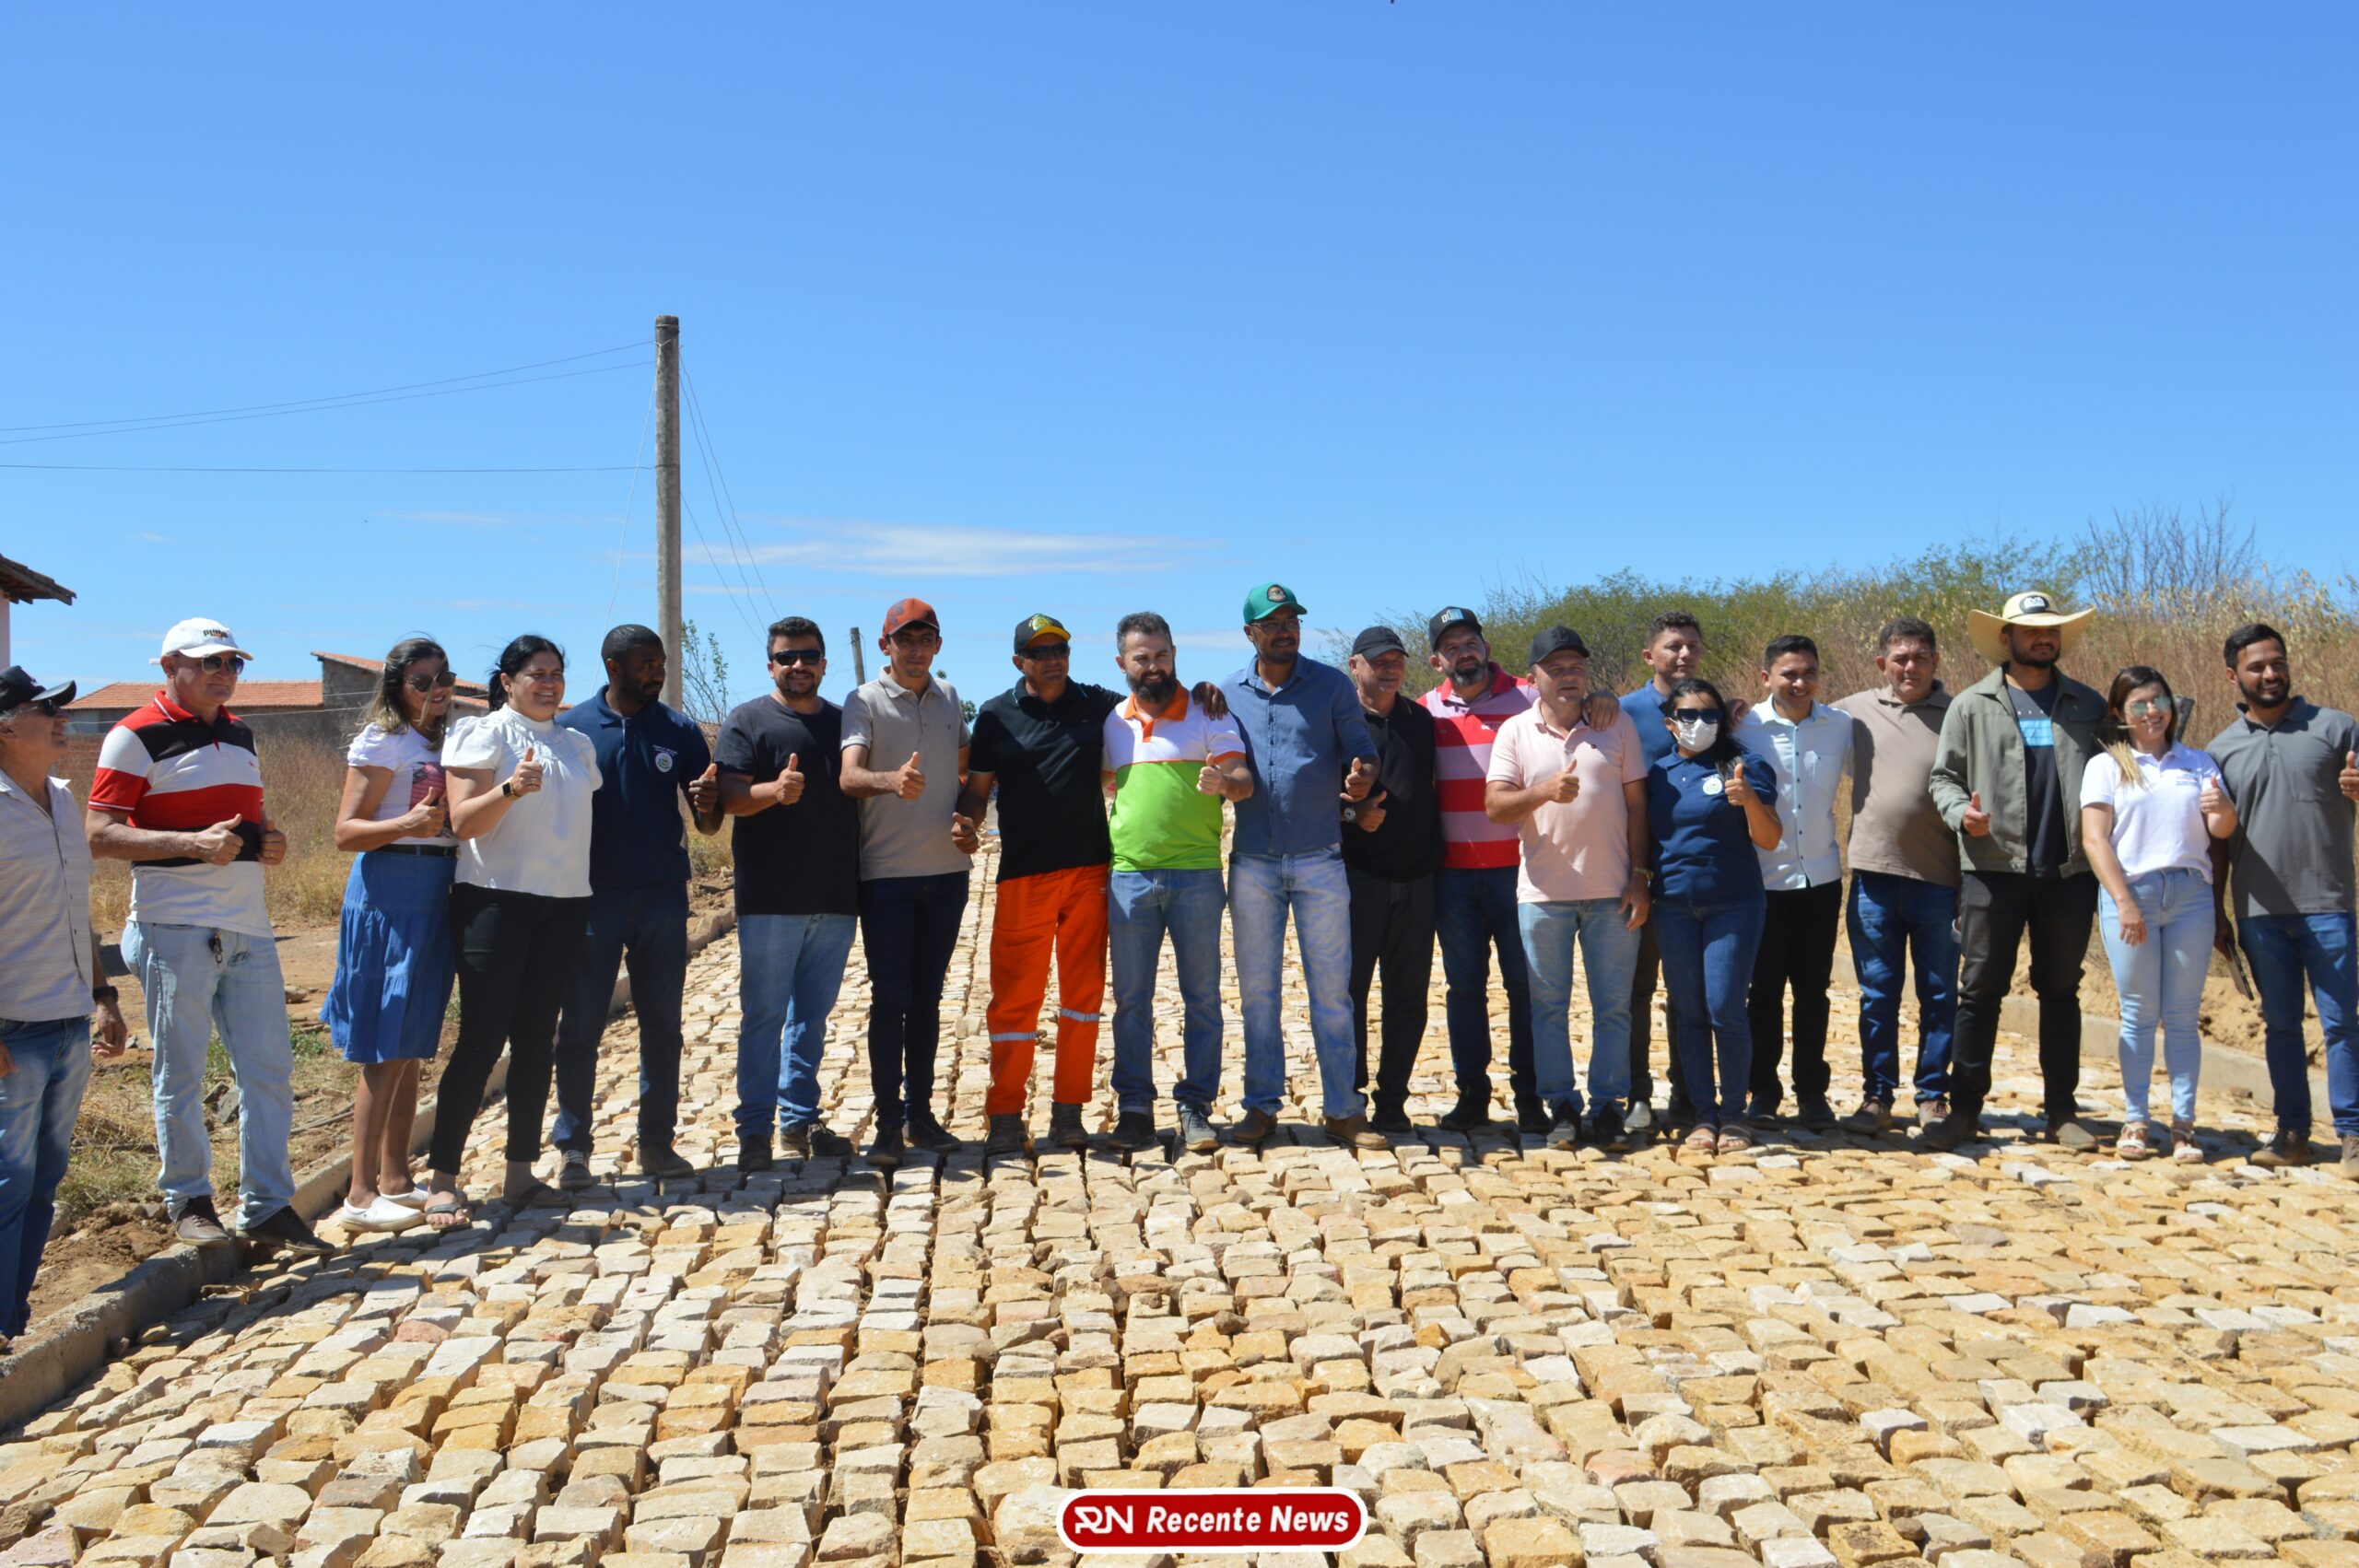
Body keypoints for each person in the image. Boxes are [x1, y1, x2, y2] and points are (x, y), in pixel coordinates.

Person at [86, 618, 325, 1254]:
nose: (224, 674)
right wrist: (190, 844)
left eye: (233, 663)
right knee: (182, 1072)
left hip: (248, 926)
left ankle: (268, 1206)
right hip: (173, 927)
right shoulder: (133, 735)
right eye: (210, 662)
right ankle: (189, 1201)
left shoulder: (242, 733)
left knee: (269, 1070)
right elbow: (98, 833)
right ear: (170, 666)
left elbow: (250, 821)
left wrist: (270, 840)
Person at [1924, 591, 2107, 1153]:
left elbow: (2120, 772)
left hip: (2070, 873)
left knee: (2061, 991)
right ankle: (1964, 1111)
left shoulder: (2088, 704)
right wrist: (1962, 813)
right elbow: (1943, 778)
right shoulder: (1971, 705)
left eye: (2051, 631)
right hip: (1993, 867)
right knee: (1979, 992)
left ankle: (2062, 1113)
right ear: (2006, 638)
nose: (2044, 638)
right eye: (2032, 631)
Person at [428, 636, 602, 1227]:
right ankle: (443, 1180)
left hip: (565, 904)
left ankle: (520, 1174)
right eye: (536, 674)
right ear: (507, 681)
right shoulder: (483, 734)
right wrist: (508, 789)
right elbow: (461, 822)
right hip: (494, 901)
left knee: (536, 1041)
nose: (549, 684)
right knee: (482, 1040)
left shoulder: (577, 745)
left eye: (556, 673)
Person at [550, 626, 722, 1189]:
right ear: (613, 666)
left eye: (661, 662)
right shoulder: (572, 729)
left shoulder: (679, 730)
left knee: (662, 1026)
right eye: (647, 663)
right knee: (580, 1026)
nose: (658, 672)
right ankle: (573, 1150)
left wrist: (709, 803)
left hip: (662, 897)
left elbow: (707, 822)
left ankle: (657, 1143)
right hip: (591, 898)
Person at [1221, 582, 1384, 1149]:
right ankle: (1261, 1106)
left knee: (1332, 994)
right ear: (1250, 633)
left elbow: (1363, 749)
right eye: (1271, 623)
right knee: (1258, 995)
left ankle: (1343, 1109)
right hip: (1253, 864)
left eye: (1291, 621)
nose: (1284, 631)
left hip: (1321, 860)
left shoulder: (1331, 685)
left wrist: (1361, 776)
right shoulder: (1226, 694)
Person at [1484, 627, 1649, 1151]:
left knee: (1613, 1007)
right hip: (1542, 894)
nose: (1568, 676)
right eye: (1555, 668)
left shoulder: (1615, 723)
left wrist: (1640, 876)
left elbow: (1638, 806)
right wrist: (1544, 791)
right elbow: (1495, 807)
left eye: (1576, 666)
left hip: (1613, 891)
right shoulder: (1515, 731)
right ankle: (1561, 1106)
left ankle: (1607, 1107)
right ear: (1533, 677)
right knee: (1548, 1008)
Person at [0, 669, 128, 1345]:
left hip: (69, 1024)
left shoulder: (60, 797)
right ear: (4, 727)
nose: (61, 718)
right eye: (43, 708)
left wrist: (104, 997)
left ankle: (11, 1325)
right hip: (11, 1029)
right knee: (6, 1183)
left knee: (43, 1179)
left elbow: (76, 914)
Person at [960, 615, 1120, 1156]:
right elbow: (977, 791)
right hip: (1023, 876)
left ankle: (1069, 1111)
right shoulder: (994, 716)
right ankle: (1005, 1115)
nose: (1053, 659)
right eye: (1040, 652)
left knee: (1083, 999)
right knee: (1014, 1001)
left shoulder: (1098, 704)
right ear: (1019, 661)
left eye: (1060, 650)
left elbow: (1155, 701)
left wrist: (1205, 693)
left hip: (1088, 873)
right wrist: (967, 821)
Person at [2209, 623, 2359, 1175]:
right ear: (2234, 676)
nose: (2270, 674)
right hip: (2258, 913)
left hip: (2329, 905)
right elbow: (2216, 841)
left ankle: (2353, 1134)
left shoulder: (2338, 728)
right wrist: (2216, 911)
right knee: (2281, 1025)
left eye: (2278, 663)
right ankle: (2292, 1132)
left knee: (2342, 1024)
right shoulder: (2220, 751)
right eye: (2257, 667)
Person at [322, 638, 459, 1233]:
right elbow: (346, 832)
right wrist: (409, 822)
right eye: (422, 681)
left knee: (412, 1040)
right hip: (390, 889)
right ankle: (358, 1193)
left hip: (434, 889)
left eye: (443, 678)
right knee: (386, 1040)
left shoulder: (444, 740)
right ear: (397, 686)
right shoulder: (382, 741)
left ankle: (396, 1178)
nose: (436, 690)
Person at [1103, 613, 1252, 1153]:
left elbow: (1244, 782)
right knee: (1131, 1001)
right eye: (1141, 657)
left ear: (1174, 655)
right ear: (1122, 663)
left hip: (1197, 876)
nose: (1153, 666)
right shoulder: (1111, 723)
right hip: (1128, 878)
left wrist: (1224, 782)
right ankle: (1134, 1109)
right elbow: (1105, 784)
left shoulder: (1209, 711)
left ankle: (1195, 1107)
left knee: (1203, 999)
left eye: (1161, 655)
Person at [841, 598, 980, 1169]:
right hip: (887, 878)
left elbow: (969, 771)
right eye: (906, 639)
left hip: (947, 875)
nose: (916, 649)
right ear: (886, 646)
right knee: (890, 999)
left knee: (927, 1000)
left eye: (926, 639)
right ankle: (887, 1124)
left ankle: (920, 1115)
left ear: (938, 645)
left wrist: (969, 819)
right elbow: (849, 776)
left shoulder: (949, 696)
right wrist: (890, 780)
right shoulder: (864, 700)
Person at [718, 618, 861, 1167]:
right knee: (764, 1017)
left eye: (808, 656)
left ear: (824, 663)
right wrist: (773, 791)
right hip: (770, 901)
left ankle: (799, 1121)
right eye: (786, 657)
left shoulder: (845, 724)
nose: (798, 665)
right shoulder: (747, 720)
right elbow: (729, 797)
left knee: (811, 1020)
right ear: (770, 664)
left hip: (835, 898)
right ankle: (754, 1130)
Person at [2081, 667, 2236, 1162]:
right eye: (2139, 704)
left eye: (2159, 701)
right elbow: (2094, 840)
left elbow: (2221, 829)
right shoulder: (2106, 766)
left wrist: (2223, 806)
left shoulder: (2198, 762)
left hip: (2191, 895)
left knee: (2184, 1016)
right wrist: (2124, 900)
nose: (2152, 712)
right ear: (2119, 714)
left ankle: (2184, 1125)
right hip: (2132, 894)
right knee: (2138, 1014)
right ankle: (2136, 1119)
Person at [1832, 618, 1959, 1135]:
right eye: (1900, 658)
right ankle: (1877, 1096)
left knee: (1940, 995)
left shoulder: (1959, 714)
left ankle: (1933, 1096)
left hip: (1941, 881)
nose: (1910, 667)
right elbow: (1790, 718)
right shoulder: (1851, 712)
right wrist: (1735, 711)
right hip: (1874, 879)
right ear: (1882, 664)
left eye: (1920, 657)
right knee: (1878, 996)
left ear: (1935, 661)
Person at [1422, 606, 1542, 1134]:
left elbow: (1583, 709)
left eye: (1470, 642)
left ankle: (1532, 1096)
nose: (1463, 653)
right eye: (1451, 647)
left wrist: (1603, 699)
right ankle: (1472, 1095)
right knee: (1464, 990)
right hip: (1453, 877)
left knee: (1526, 989)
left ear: (1486, 648)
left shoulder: (1531, 698)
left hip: (1521, 872)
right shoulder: (1425, 711)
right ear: (1437, 661)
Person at [1647, 678, 1780, 1154]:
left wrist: (1749, 800)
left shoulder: (1744, 765)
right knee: (1689, 1011)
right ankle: (1703, 1114)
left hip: (1733, 904)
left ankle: (1734, 1115)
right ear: (1670, 723)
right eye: (1688, 715)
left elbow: (1769, 838)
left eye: (1710, 715)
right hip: (1672, 906)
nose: (1699, 723)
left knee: (1725, 1006)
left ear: (1722, 721)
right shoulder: (1657, 774)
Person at [1738, 635, 1855, 1130]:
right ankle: (1763, 1092)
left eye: (1809, 673)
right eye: (1789, 674)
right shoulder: (1742, 726)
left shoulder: (1840, 726)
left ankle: (1812, 1093)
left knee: (1813, 993)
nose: (1800, 682)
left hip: (1821, 880)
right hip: (1762, 882)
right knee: (1763, 993)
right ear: (1766, 678)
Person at [1342, 626, 1442, 1137]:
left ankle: (1393, 1100)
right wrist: (1352, 815)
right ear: (1354, 666)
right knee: (1350, 995)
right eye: (1379, 660)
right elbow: (1313, 796)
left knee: (1408, 997)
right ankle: (1350, 1097)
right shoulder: (1338, 723)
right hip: (1357, 882)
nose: (1390, 668)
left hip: (1418, 880)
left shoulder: (1421, 721)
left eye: (1397, 660)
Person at [1618, 609, 1707, 1136]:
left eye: (1692, 645)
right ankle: (1636, 1094)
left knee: (1686, 993)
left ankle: (1688, 1092)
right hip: (1634, 873)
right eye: (1674, 646)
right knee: (1634, 992)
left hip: (1690, 875)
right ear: (1650, 655)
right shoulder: (1621, 712)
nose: (1684, 654)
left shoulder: (1711, 709)